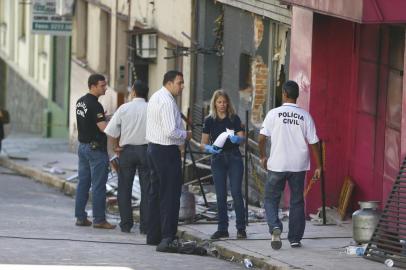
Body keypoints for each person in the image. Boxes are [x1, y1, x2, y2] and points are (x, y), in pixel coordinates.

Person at [258, 80, 321, 249]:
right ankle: (295, 238)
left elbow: (262, 138)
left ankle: (275, 226)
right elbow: (315, 142)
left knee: (271, 199)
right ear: (296, 96)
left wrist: (263, 156)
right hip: (298, 165)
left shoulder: (273, 113)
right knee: (297, 201)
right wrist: (319, 166)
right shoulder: (305, 116)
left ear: (284, 94)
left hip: (277, 163)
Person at [146, 70, 192, 252]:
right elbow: (171, 131)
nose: (182, 86)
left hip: (154, 149)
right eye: (179, 83)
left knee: (155, 194)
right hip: (165, 151)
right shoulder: (166, 101)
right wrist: (186, 135)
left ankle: (154, 235)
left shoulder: (156, 96)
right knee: (170, 196)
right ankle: (167, 237)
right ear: (169, 83)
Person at [104, 80, 150, 234]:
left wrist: (114, 148)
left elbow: (111, 131)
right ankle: (145, 226)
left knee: (124, 189)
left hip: (127, 152)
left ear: (134, 92)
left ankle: (126, 225)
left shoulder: (124, 108)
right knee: (147, 189)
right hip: (147, 151)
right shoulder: (152, 108)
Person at [200, 89, 246, 240]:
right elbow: (202, 143)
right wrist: (209, 148)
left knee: (236, 193)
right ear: (214, 103)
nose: (222, 105)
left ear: (228, 104)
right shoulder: (209, 120)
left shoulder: (234, 119)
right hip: (217, 158)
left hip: (234, 157)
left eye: (224, 102)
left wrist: (237, 140)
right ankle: (222, 228)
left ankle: (241, 228)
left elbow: (242, 137)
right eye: (219, 102)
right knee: (220, 195)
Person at [75, 74, 116, 229]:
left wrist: (104, 117)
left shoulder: (80, 102)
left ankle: (80, 217)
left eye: (105, 85)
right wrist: (116, 125)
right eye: (102, 85)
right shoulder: (95, 105)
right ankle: (99, 220)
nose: (105, 88)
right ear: (92, 86)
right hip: (95, 149)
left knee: (83, 183)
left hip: (83, 147)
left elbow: (90, 120)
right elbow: (103, 128)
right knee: (98, 185)